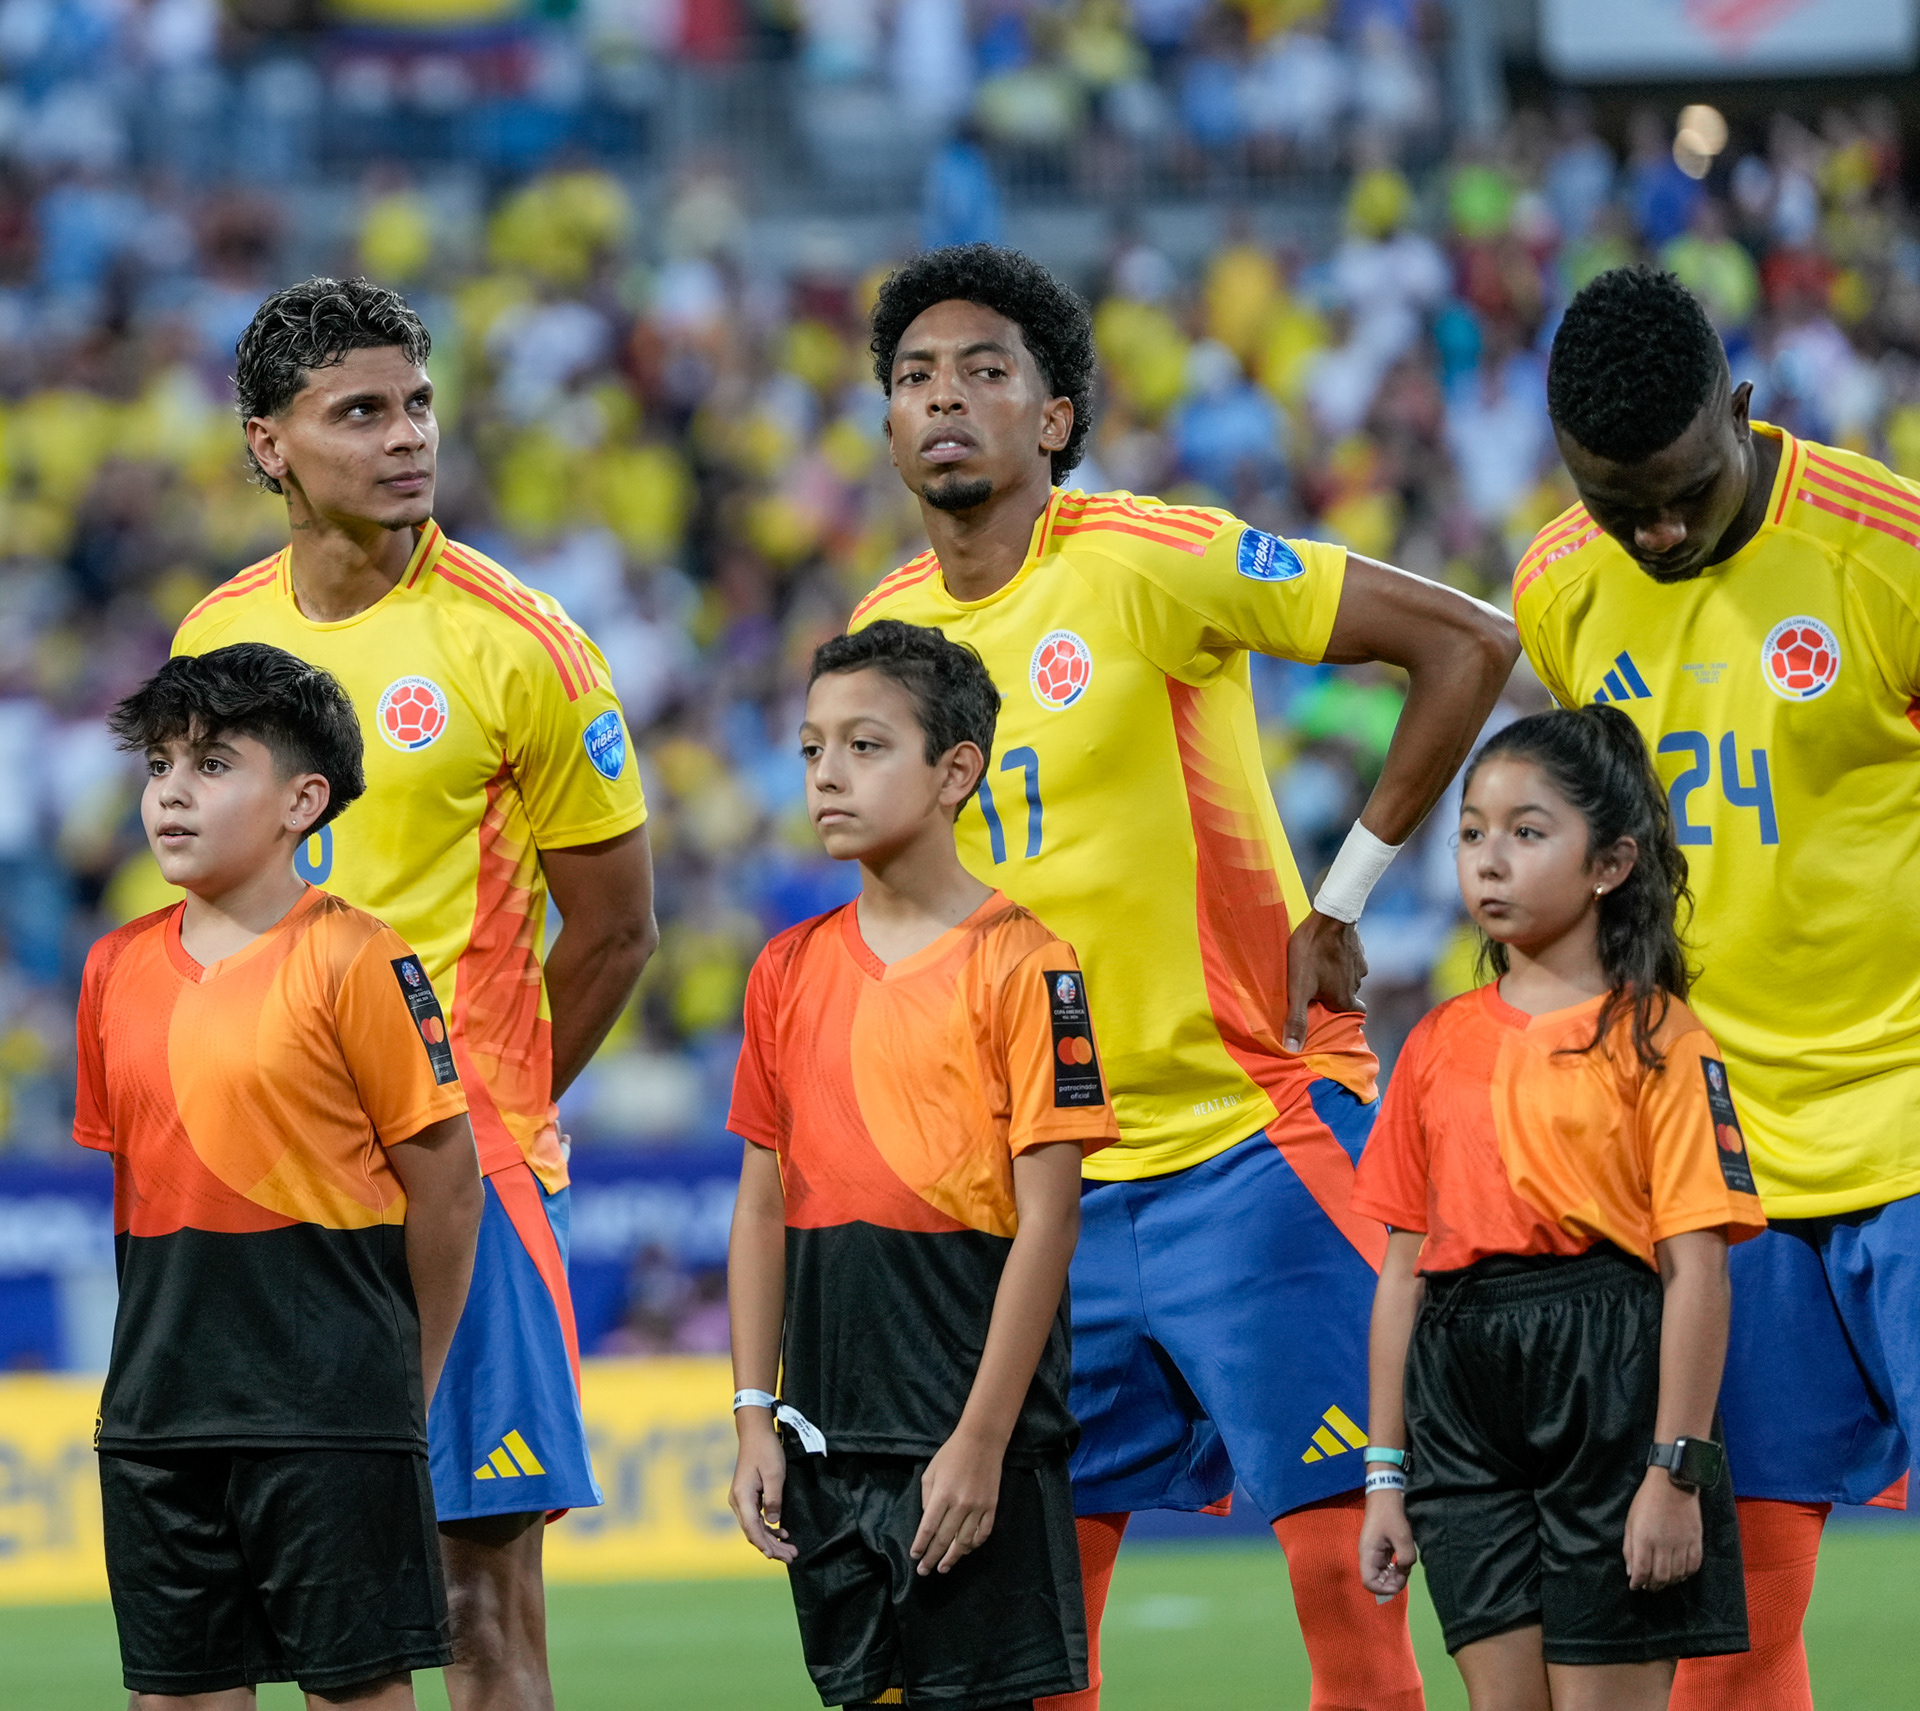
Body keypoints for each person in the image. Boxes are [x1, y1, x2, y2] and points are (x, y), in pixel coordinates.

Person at [850, 242, 1520, 1711]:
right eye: (912, 378)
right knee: (1030, 1647)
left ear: (1056, 414)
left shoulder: (1154, 557)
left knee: (1359, 1607)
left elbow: (1468, 641)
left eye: (984, 371)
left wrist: (1345, 892)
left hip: (1252, 1145)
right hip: (1043, 1201)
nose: (943, 400)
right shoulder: (888, 638)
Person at [172, 277, 658, 1711]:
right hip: (270, 1184)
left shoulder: (519, 641)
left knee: (476, 1589)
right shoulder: (221, 639)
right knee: (301, 1596)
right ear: (270, 445)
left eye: (418, 405)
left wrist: (468, 1119)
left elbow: (617, 928)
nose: (406, 438)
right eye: (361, 412)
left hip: (469, 1173)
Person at [1515, 264, 1920, 1711]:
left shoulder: (1886, 548)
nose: (1659, 527)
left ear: (1740, 411)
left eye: (1685, 486)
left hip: (1911, 1124)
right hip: (1726, 1170)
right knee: (1728, 1625)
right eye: (1621, 501)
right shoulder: (1559, 586)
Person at [81, 643, 483, 1710]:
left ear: (305, 800)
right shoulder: (110, 967)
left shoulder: (360, 957)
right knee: (172, 1694)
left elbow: (449, 1188)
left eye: (214, 764)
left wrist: (409, 1382)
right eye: (159, 763)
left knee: (355, 1690)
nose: (170, 790)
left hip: (330, 1408)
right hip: (158, 1413)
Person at [727, 620, 1120, 1710]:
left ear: (956, 771)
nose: (826, 776)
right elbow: (762, 1206)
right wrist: (756, 1414)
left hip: (964, 1437)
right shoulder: (784, 968)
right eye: (811, 749)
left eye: (864, 745)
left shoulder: (1028, 963)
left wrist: (983, 1440)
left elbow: (1050, 1221)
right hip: (825, 1438)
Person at [1353, 705, 1764, 1711]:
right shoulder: (1437, 1039)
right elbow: (1403, 1267)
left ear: (1610, 864)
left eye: (1528, 833)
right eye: (1473, 831)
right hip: (1460, 1400)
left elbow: (1696, 1268)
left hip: (1610, 1382)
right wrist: (1383, 1472)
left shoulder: (1662, 1037)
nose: (1489, 860)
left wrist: (1676, 1466)